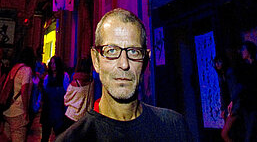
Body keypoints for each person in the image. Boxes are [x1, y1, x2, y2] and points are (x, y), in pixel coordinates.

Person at [55, 8, 193, 141]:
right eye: (111, 51)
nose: (124, 64)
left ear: (145, 60)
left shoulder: (174, 128)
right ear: (96, 60)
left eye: (133, 52)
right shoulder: (72, 139)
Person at [0, 46, 35, 142]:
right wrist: (26, 111)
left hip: (8, 109)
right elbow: (24, 90)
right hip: (18, 111)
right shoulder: (27, 70)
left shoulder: (15, 68)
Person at [238, 42, 257, 142]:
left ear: (249, 51)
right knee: (251, 134)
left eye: (243, 49)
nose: (242, 52)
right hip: (246, 105)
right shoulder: (243, 68)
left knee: (250, 134)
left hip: (256, 104)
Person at [213, 53, 243, 142]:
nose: (217, 64)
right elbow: (223, 93)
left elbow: (236, 89)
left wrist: (232, 102)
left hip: (235, 106)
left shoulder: (230, 73)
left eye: (219, 62)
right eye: (216, 62)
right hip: (229, 107)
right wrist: (223, 109)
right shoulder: (221, 75)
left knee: (225, 133)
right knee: (231, 133)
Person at [40, 55, 70, 141]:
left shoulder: (64, 76)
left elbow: (67, 92)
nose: (53, 65)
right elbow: (44, 92)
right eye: (51, 63)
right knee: (45, 135)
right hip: (48, 109)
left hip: (58, 110)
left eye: (55, 63)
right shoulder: (47, 77)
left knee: (59, 135)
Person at [63, 57, 95, 128]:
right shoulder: (92, 83)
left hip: (72, 115)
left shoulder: (74, 84)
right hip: (85, 117)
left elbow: (66, 99)